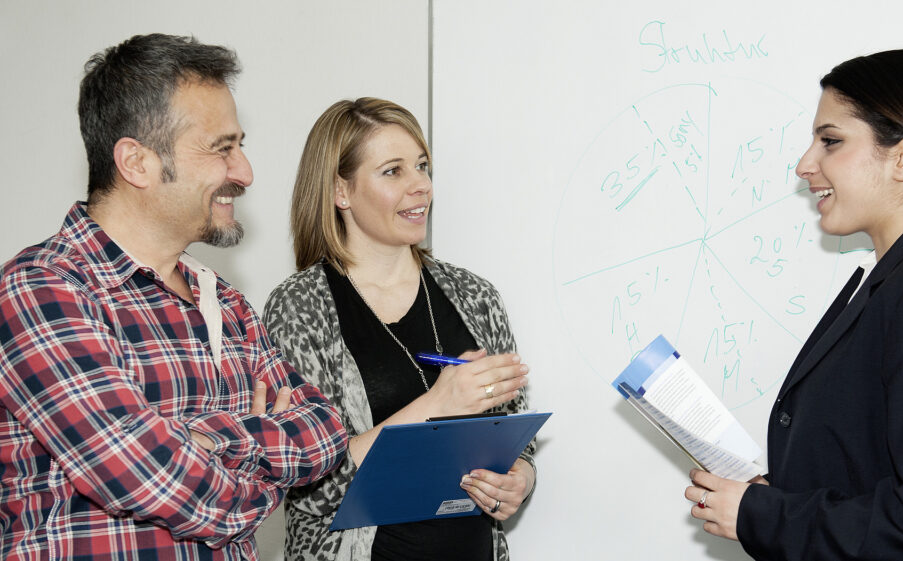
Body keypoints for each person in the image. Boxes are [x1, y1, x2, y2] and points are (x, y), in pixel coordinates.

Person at [0, 34, 349, 560]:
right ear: (136, 163)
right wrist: (264, 454)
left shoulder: (225, 302)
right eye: (221, 148)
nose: (245, 172)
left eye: (241, 145)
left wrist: (210, 439)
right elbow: (153, 479)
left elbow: (325, 433)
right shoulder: (42, 289)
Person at [684, 48, 903, 560]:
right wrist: (773, 497)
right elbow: (877, 467)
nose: (805, 164)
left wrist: (766, 516)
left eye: (831, 141)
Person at [262, 97, 534, 561]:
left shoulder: (475, 296)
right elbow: (310, 489)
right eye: (393, 171)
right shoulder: (298, 308)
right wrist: (438, 403)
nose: (421, 186)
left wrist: (519, 479)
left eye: (422, 167)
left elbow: (515, 439)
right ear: (340, 192)